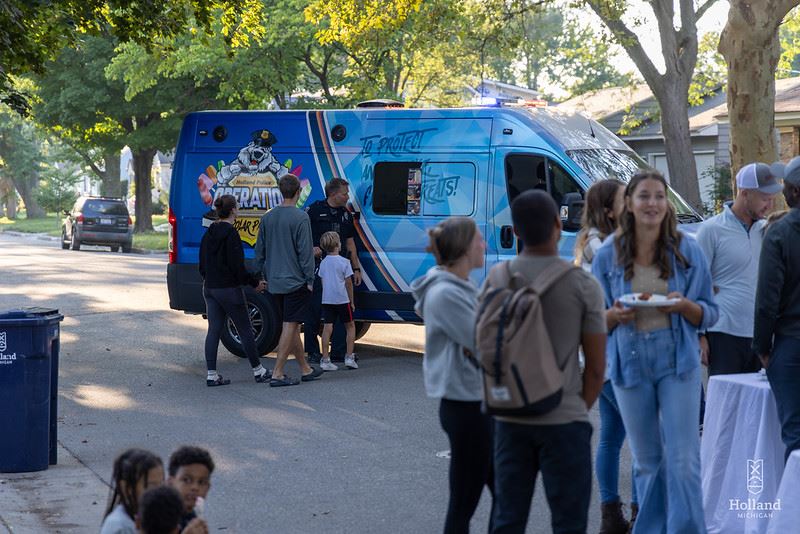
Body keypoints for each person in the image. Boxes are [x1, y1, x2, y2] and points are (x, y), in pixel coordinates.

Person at [592, 169, 718, 534]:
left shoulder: (686, 248)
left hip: (678, 362)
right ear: (628, 204)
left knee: (684, 460)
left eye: (659, 196)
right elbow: (594, 321)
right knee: (649, 462)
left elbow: (709, 311)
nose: (652, 203)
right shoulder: (607, 256)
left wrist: (684, 306)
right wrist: (614, 315)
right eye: (644, 196)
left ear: (667, 203)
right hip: (629, 366)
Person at [488, 191, 607, 534]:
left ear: (516, 231)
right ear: (558, 224)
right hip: (564, 417)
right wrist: (576, 407)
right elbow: (596, 368)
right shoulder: (582, 284)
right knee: (569, 522)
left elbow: (482, 348)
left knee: (507, 519)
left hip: (509, 415)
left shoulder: (497, 278)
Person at [410, 216, 494, 534]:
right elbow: (485, 342)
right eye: (478, 240)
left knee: (501, 495)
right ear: (462, 248)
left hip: (476, 401)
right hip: (466, 406)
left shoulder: (460, 287)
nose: (484, 245)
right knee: (464, 504)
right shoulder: (445, 294)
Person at [575, 179, 636, 533]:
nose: (630, 204)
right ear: (609, 210)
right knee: (643, 439)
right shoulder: (603, 247)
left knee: (613, 436)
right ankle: (637, 511)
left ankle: (611, 515)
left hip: (603, 355)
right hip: (613, 354)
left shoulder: (590, 240)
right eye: (623, 199)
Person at [695, 162, 781, 376]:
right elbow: (697, 282)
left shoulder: (768, 231)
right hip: (723, 333)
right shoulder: (711, 230)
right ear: (744, 193)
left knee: (756, 405)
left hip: (761, 335)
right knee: (726, 405)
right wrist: (699, 335)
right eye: (764, 198)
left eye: (771, 199)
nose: (769, 205)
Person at [253, 173, 324, 387]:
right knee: (291, 324)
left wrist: (258, 276)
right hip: (296, 280)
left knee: (290, 325)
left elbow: (260, 251)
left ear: (280, 191)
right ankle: (278, 373)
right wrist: (310, 279)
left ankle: (305, 368)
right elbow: (305, 252)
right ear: (298, 192)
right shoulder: (301, 217)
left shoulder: (268, 217)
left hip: (274, 281)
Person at [754, 156, 800, 462]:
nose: (781, 190)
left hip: (791, 343)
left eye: (785, 185)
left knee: (796, 437)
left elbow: (767, 299)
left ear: (794, 193)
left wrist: (762, 346)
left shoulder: (779, 234)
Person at [199, 194, 270, 387]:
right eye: (237, 207)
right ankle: (258, 371)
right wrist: (254, 283)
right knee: (245, 329)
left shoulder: (208, 233)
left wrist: (209, 279)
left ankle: (212, 374)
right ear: (233, 211)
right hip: (229, 289)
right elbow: (237, 267)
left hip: (210, 288)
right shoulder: (231, 234)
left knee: (213, 330)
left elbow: (202, 264)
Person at [305, 178, 362, 364]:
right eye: (344, 193)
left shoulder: (346, 215)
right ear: (333, 194)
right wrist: (311, 248)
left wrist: (356, 268)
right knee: (314, 309)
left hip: (340, 268)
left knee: (340, 309)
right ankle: (313, 351)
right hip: (319, 267)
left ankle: (338, 351)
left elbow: (350, 242)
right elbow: (301, 236)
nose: (347, 197)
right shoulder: (314, 210)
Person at [317, 231, 357, 371]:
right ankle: (349, 356)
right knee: (350, 326)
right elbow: (349, 283)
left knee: (327, 328)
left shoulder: (323, 263)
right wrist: (351, 301)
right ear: (337, 245)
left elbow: (323, 281)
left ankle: (325, 359)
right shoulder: (345, 262)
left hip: (327, 299)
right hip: (342, 299)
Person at [101, 449, 164, 534]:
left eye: (161, 485)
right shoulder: (120, 526)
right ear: (126, 487)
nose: (159, 492)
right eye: (151, 486)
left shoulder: (150, 516)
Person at [167, 446, 213, 533]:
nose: (195, 487)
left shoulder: (192, 516)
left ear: (208, 488)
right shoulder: (158, 516)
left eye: (201, 482)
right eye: (186, 480)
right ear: (170, 483)